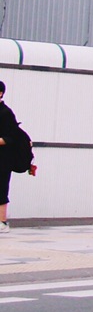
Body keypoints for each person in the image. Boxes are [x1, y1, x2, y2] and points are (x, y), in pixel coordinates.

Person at [0, 80, 32, 231]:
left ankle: (2, 222)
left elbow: (11, 137)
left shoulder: (5, 113)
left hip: (3, 159)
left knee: (1, 189)